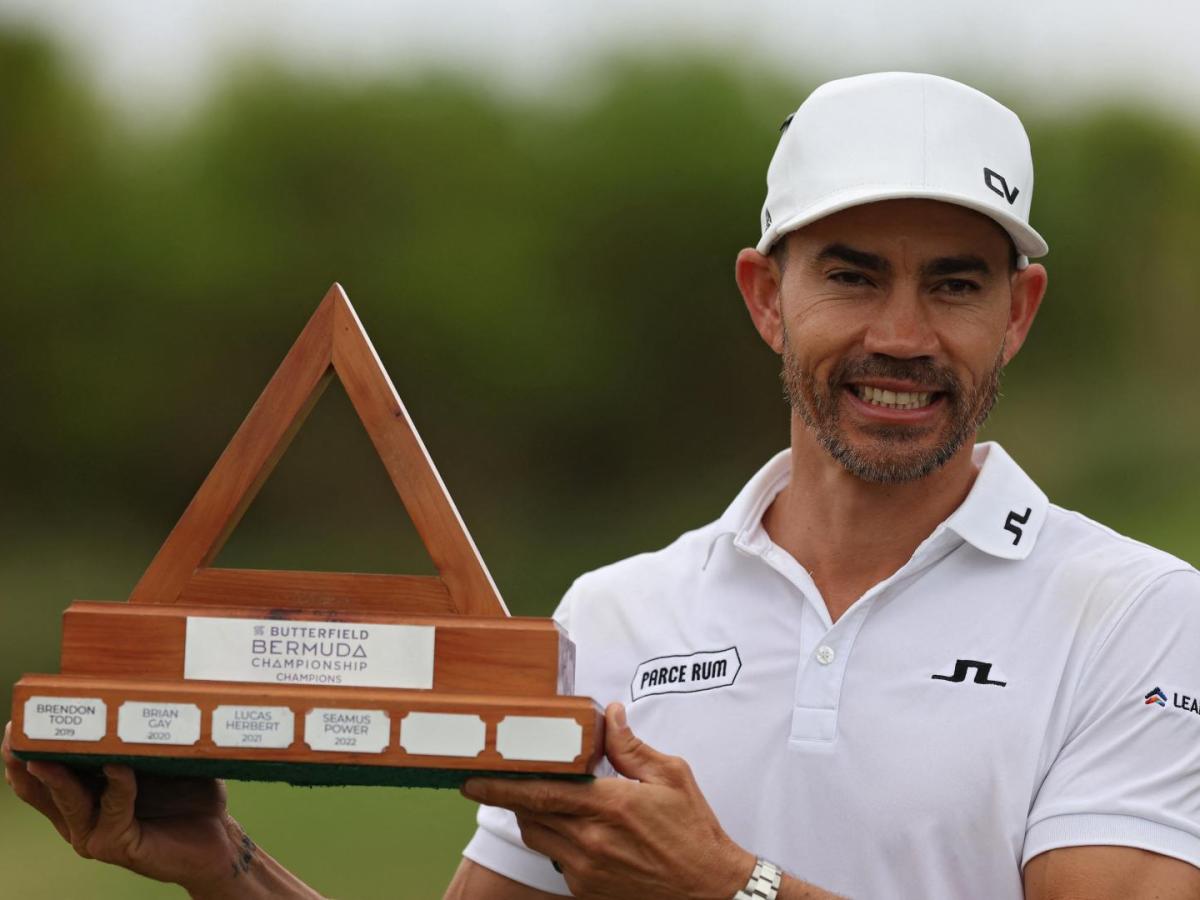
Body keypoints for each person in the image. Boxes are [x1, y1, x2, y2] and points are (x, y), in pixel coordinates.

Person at [4, 71, 1199, 900]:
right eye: (850, 274)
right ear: (766, 296)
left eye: (954, 284)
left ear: (1018, 312)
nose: (902, 334)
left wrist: (724, 885)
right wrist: (225, 866)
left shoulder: (1136, 616)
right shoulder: (621, 614)